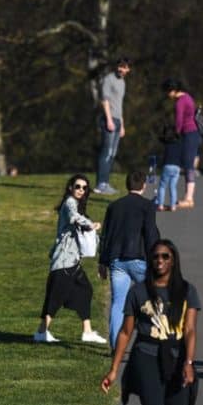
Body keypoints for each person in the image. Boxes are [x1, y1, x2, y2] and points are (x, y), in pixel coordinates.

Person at [101, 239, 200, 405]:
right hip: (145, 356)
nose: (160, 261)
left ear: (173, 260)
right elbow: (125, 332)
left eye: (165, 257)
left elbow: (189, 330)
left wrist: (189, 363)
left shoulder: (187, 291)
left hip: (176, 357)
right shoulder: (138, 292)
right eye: (155, 257)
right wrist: (114, 370)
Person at [34, 174, 106, 344]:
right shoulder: (70, 203)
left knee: (85, 290)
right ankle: (41, 332)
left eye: (84, 188)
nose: (81, 190)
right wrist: (91, 224)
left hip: (72, 261)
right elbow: (74, 218)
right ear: (70, 188)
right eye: (78, 186)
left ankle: (87, 331)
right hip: (65, 261)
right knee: (56, 297)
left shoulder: (77, 205)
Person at [98, 170, 161, 348]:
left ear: (127, 185)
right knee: (153, 299)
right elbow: (150, 234)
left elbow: (106, 235)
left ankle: (115, 345)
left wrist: (102, 261)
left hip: (117, 261)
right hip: (140, 259)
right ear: (144, 186)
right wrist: (156, 259)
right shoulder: (147, 206)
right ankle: (155, 339)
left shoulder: (114, 206)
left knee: (118, 303)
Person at [94, 57, 131, 195]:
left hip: (117, 120)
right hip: (108, 119)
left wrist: (121, 124)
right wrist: (109, 119)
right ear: (116, 66)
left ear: (128, 69)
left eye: (125, 67)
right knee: (107, 152)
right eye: (120, 66)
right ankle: (100, 184)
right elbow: (105, 101)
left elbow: (119, 104)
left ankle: (106, 183)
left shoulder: (122, 82)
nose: (122, 69)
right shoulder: (108, 79)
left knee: (113, 154)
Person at [161, 79, 200, 209]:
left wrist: (175, 134)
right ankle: (188, 197)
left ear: (172, 90)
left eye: (167, 91)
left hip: (188, 133)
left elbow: (179, 120)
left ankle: (189, 198)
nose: (167, 95)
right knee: (188, 165)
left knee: (188, 165)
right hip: (193, 133)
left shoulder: (180, 102)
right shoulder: (188, 97)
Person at [154, 124, 181, 211]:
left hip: (167, 166)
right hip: (177, 167)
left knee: (162, 186)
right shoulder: (178, 144)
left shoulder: (166, 144)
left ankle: (161, 205)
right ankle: (173, 206)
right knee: (173, 186)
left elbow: (160, 138)